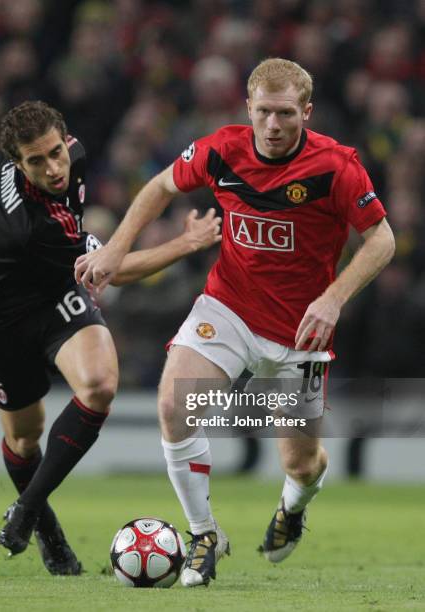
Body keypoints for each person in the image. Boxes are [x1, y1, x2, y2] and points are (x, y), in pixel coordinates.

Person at [74, 58, 396, 587]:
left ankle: (292, 510)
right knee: (175, 403)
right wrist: (115, 248)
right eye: (264, 112)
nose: (273, 125)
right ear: (248, 107)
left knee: (303, 463)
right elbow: (158, 188)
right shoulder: (223, 149)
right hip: (229, 307)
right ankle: (203, 536)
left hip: (300, 332)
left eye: (286, 114)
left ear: (306, 112)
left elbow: (382, 239)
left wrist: (334, 298)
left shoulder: (335, 168)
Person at [0, 100, 221, 575]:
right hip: (2, 316)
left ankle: (24, 512)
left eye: (55, 152)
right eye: (36, 162)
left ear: (65, 139)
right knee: (24, 440)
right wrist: (187, 243)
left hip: (54, 294)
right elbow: (113, 272)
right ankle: (50, 535)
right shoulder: (30, 224)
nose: (53, 167)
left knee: (100, 385)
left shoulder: (71, 158)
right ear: (16, 164)